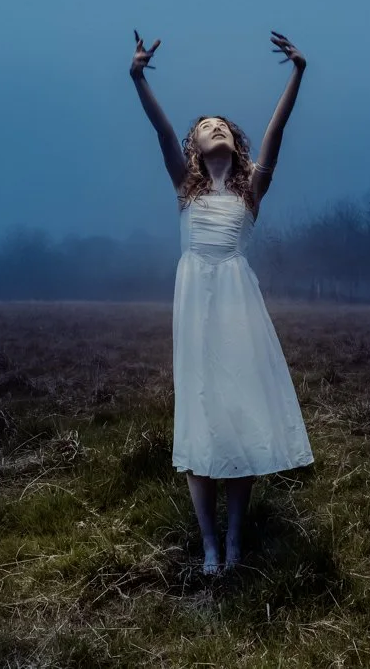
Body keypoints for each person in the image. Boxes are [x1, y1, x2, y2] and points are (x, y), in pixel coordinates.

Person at [129, 28, 315, 576]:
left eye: (223, 127)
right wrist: (137, 77)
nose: (214, 129)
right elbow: (162, 130)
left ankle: (234, 542)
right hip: (195, 306)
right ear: (195, 148)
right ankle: (208, 543)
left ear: (235, 144)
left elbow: (277, 132)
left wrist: (298, 73)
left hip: (236, 306)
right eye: (204, 127)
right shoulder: (184, 186)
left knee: (237, 417)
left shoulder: (249, 192)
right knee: (202, 415)